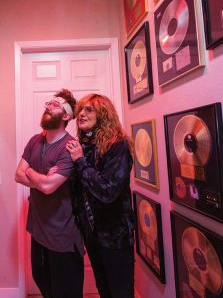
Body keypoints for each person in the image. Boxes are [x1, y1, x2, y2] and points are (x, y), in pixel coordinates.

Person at [15, 89, 84, 298]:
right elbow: (18, 175)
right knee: (42, 281)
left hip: (63, 235)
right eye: (48, 103)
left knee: (66, 292)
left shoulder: (70, 147)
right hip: (38, 230)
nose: (47, 106)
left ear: (66, 115)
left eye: (55, 105)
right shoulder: (35, 140)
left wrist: (31, 173)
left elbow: (47, 187)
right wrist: (42, 177)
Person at [66, 93, 135, 298]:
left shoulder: (118, 145)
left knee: (120, 293)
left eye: (89, 110)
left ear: (103, 115)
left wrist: (79, 162)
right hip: (92, 235)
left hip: (115, 237)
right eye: (80, 110)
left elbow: (107, 190)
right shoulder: (84, 146)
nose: (81, 114)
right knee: (104, 290)